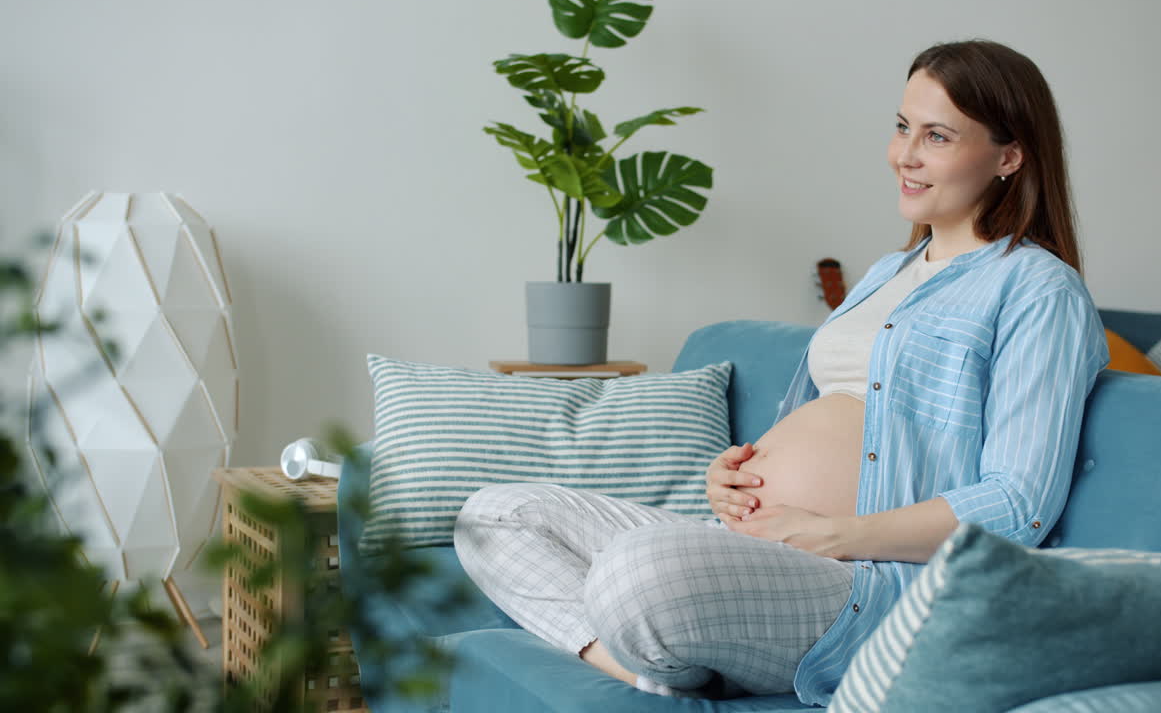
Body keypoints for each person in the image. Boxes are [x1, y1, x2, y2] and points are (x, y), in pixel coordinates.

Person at [453, 39, 1110, 706]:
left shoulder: (1037, 289)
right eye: (902, 126)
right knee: (495, 516)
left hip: (867, 585)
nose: (905, 155)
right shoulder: (890, 272)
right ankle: (641, 672)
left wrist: (836, 533)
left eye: (937, 136)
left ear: (1010, 156)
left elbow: (1019, 504)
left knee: (634, 570)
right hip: (753, 549)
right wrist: (733, 478)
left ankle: (656, 636)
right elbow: (827, 426)